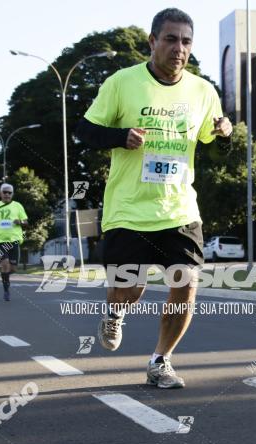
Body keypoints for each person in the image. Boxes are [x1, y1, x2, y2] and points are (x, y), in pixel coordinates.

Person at [75, 8, 232, 389]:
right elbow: (84, 130)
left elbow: (215, 147)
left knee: (187, 282)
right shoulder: (121, 82)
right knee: (131, 288)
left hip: (179, 208)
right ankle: (115, 311)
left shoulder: (203, 91)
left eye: (186, 41)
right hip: (128, 210)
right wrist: (120, 136)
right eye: (171, 39)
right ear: (153, 41)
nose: (179, 48)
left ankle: (160, 361)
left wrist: (226, 134)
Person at [0, 183, 28, 301]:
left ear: (12, 194)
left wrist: (20, 222)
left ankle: (4, 276)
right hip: (0, 240)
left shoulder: (18, 206)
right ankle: (6, 290)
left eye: (9, 193)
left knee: (13, 268)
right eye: (5, 192)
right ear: (0, 193)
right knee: (4, 264)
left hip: (14, 240)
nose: (7, 194)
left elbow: (26, 222)